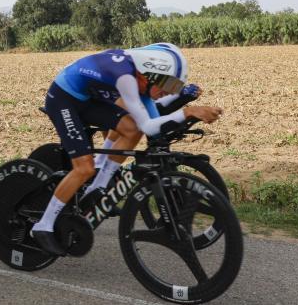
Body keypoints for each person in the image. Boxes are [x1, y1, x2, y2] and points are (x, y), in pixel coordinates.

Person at [31, 43, 223, 255]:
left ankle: (98, 187)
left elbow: (154, 126)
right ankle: (43, 225)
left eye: (170, 88)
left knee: (132, 130)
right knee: (84, 168)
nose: (165, 94)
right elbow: (149, 125)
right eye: (164, 88)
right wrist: (188, 112)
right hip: (63, 98)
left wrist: (185, 99)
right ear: (147, 77)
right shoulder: (127, 79)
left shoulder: (144, 79)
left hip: (89, 97)